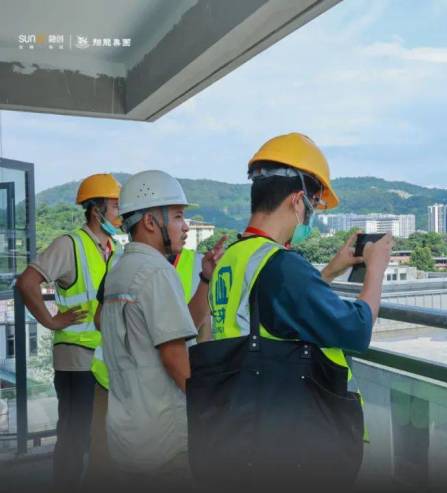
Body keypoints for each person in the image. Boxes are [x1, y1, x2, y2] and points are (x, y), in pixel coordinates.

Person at [187, 133, 393, 489]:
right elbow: (358, 329)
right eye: (313, 205)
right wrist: (375, 268)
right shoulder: (282, 266)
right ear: (297, 200)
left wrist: (330, 270)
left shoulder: (234, 256)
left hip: (243, 424)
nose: (311, 217)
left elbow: (275, 313)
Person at [98, 170, 223, 486]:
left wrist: (205, 278)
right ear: (150, 222)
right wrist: (210, 411)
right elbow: (173, 356)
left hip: (128, 437)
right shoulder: (156, 272)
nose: (186, 226)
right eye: (178, 216)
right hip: (163, 444)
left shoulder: (119, 270)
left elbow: (180, 326)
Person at [16, 173, 123, 491]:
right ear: (97, 210)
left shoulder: (113, 249)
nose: (121, 212)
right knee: (75, 440)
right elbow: (26, 283)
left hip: (102, 361)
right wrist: (51, 321)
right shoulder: (70, 244)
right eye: (116, 205)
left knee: (101, 438)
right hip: (76, 360)